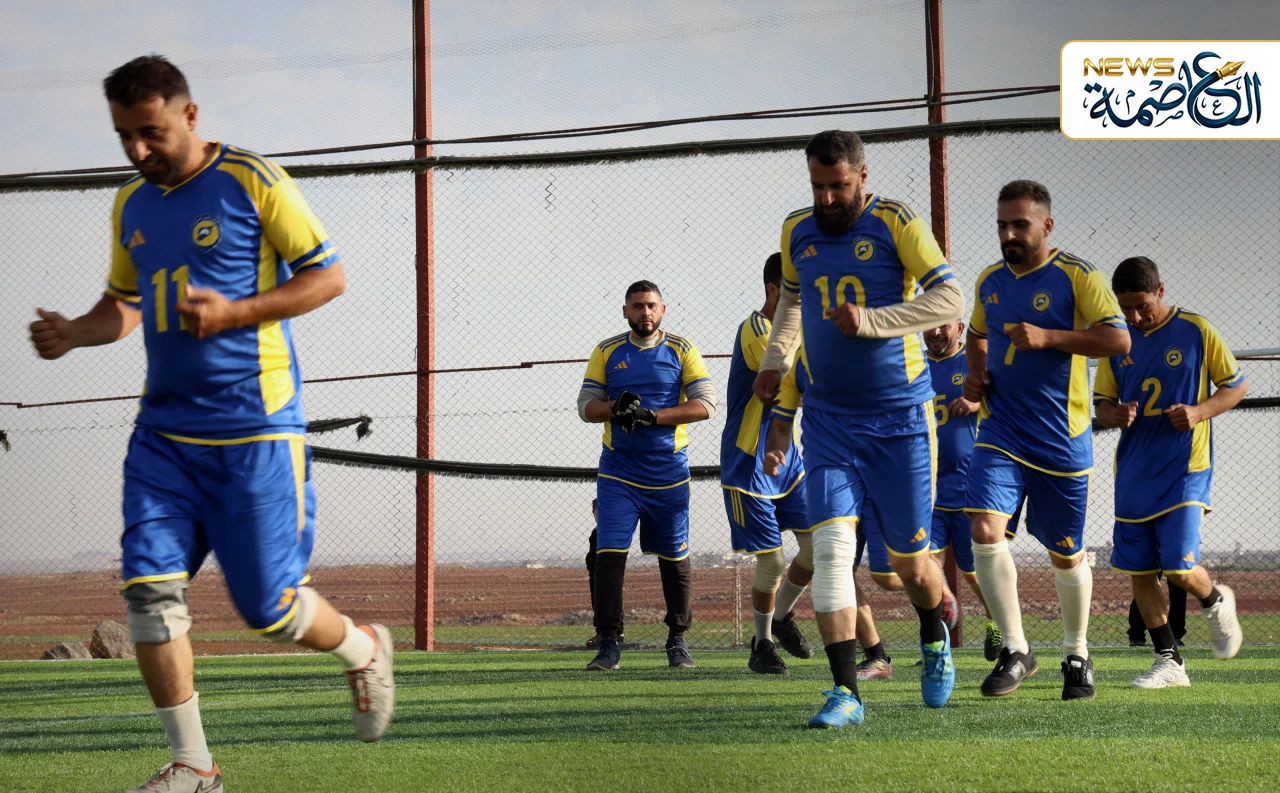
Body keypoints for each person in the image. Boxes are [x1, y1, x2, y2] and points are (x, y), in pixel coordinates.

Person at [27, 55, 394, 792]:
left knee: (271, 611)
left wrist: (236, 312)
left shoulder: (253, 181)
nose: (137, 150)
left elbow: (328, 276)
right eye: (124, 135)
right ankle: (195, 766)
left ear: (189, 115)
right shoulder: (131, 203)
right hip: (162, 438)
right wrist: (75, 331)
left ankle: (363, 649)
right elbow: (124, 305)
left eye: (150, 132)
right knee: (149, 592)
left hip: (255, 433)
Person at [755, 129, 964, 728]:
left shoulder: (896, 221)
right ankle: (845, 692)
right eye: (817, 186)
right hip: (828, 421)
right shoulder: (797, 230)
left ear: (862, 176)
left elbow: (950, 300)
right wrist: (775, 363)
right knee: (830, 553)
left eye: (838, 185)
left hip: (901, 421)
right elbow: (792, 304)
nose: (826, 198)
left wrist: (872, 320)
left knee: (909, 566)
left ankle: (933, 636)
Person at [963, 180, 1130, 701]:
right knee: (984, 529)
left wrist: (1049, 337)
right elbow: (976, 335)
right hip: (1001, 428)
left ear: (1047, 226)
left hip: (1061, 438)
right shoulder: (989, 280)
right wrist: (975, 376)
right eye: (1002, 225)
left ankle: (1077, 653)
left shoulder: (1078, 276)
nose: (1009, 235)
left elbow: (1118, 338)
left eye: (1020, 225)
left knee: (1066, 555)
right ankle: (1016, 649)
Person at [1094, 256, 1247, 687]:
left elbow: (1236, 386)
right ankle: (1170, 662)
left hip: (1184, 468)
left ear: (1161, 291)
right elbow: (1102, 403)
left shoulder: (1196, 330)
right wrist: (1113, 414)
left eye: (1142, 306)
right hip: (1133, 474)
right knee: (1141, 573)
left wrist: (1199, 411)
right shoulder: (1118, 340)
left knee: (1179, 568)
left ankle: (1215, 601)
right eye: (1125, 308)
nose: (1134, 316)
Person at [578, 281, 716, 671]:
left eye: (651, 305)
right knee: (608, 554)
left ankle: (677, 640)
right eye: (637, 306)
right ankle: (608, 642)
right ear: (625, 311)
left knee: (675, 559)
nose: (645, 312)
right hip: (618, 474)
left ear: (663, 310)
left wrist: (652, 416)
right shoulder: (606, 351)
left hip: (669, 476)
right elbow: (586, 407)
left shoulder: (683, 349)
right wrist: (616, 407)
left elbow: (706, 405)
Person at [720, 253, 816, 675]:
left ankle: (781, 617)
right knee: (773, 562)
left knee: (816, 548)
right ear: (774, 290)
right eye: (798, 293)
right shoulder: (757, 330)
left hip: (788, 461)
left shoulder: (806, 331)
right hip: (748, 464)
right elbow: (788, 381)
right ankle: (761, 645)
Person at [924, 320, 1001, 662]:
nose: (935, 333)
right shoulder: (915, 366)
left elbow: (1005, 398)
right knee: (926, 561)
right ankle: (938, 638)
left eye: (942, 326)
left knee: (975, 571)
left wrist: (975, 403)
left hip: (970, 484)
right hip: (926, 487)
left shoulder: (974, 362)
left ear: (958, 328)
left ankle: (998, 623)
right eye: (928, 326)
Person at [584, 498, 624, 648]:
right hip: (596, 574)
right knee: (598, 601)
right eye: (597, 511)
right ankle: (603, 633)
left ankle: (614, 633)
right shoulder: (597, 531)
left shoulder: (611, 531)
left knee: (610, 599)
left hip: (608, 574)